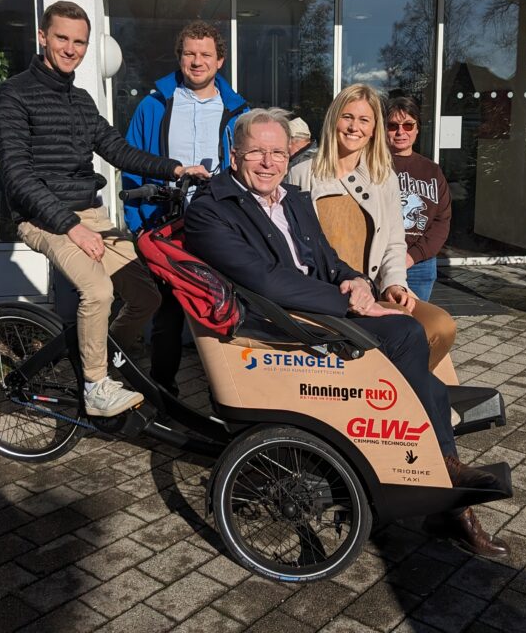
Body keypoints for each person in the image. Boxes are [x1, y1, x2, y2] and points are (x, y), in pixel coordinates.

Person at [184, 108, 509, 557]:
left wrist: (355, 280)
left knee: (412, 347)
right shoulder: (211, 209)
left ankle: (439, 474)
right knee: (404, 335)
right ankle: (445, 481)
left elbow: (327, 257)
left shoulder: (292, 198)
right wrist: (349, 303)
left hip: (315, 305)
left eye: (277, 152)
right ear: (235, 156)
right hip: (278, 320)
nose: (269, 162)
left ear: (288, 155)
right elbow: (266, 281)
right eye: (256, 152)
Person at [0, 0, 207, 418]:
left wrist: (177, 169)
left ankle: (104, 358)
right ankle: (94, 386)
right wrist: (71, 227)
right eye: (62, 38)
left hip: (90, 214)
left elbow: (118, 150)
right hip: (44, 219)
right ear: (42, 37)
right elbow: (17, 177)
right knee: (98, 290)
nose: (71, 49)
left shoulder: (81, 101)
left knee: (146, 296)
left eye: (79, 42)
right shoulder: (12, 95)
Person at [287, 85, 456, 372]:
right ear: (333, 120)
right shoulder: (302, 173)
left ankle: (406, 389)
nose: (355, 127)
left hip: (373, 293)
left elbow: (394, 242)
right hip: (324, 299)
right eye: (347, 117)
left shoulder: (383, 178)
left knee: (440, 326)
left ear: (373, 128)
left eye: (364, 120)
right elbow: (292, 244)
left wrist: (394, 283)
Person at [122, 21, 248, 396]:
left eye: (205, 54)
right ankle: (164, 390)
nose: (197, 61)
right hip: (163, 225)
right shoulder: (153, 106)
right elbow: (132, 164)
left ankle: (226, 394)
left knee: (222, 307)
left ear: (220, 60)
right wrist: (137, 224)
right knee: (167, 314)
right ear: (179, 57)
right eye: (189, 53)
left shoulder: (238, 111)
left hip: (218, 225)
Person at [385, 96, 452, 302]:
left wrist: (413, 256)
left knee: (418, 318)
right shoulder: (373, 166)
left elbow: (442, 221)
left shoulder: (432, 171)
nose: (400, 132)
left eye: (408, 125)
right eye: (393, 126)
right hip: (380, 262)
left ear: (417, 129)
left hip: (420, 265)